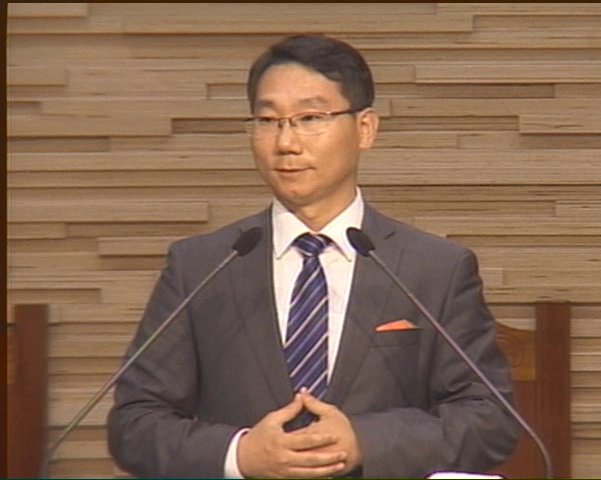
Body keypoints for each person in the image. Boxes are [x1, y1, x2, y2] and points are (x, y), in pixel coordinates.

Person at [107, 34, 518, 479]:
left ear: (365, 129)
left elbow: (489, 419)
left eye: (309, 118)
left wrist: (365, 441)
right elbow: (135, 423)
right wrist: (240, 454)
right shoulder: (201, 266)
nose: (286, 142)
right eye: (268, 120)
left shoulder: (434, 269)